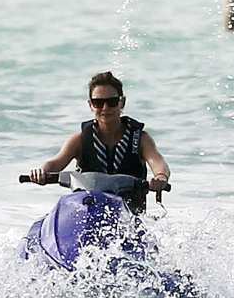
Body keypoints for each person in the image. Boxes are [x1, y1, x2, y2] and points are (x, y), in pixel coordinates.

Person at [29, 71, 170, 212]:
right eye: (98, 103)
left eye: (112, 102)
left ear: (122, 103)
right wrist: (42, 172)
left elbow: (159, 164)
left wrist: (160, 178)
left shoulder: (140, 140)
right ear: (90, 105)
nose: (105, 108)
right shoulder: (80, 140)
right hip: (87, 213)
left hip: (128, 218)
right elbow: (55, 163)